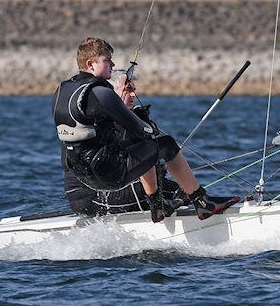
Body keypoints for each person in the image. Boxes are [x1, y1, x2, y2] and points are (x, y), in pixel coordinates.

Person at [53, 37, 239, 222]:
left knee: (143, 147)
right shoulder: (101, 92)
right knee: (166, 145)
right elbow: (140, 131)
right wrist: (149, 127)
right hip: (104, 176)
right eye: (107, 60)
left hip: (85, 174)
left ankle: (158, 207)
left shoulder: (63, 91)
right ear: (91, 64)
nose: (113, 63)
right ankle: (202, 202)